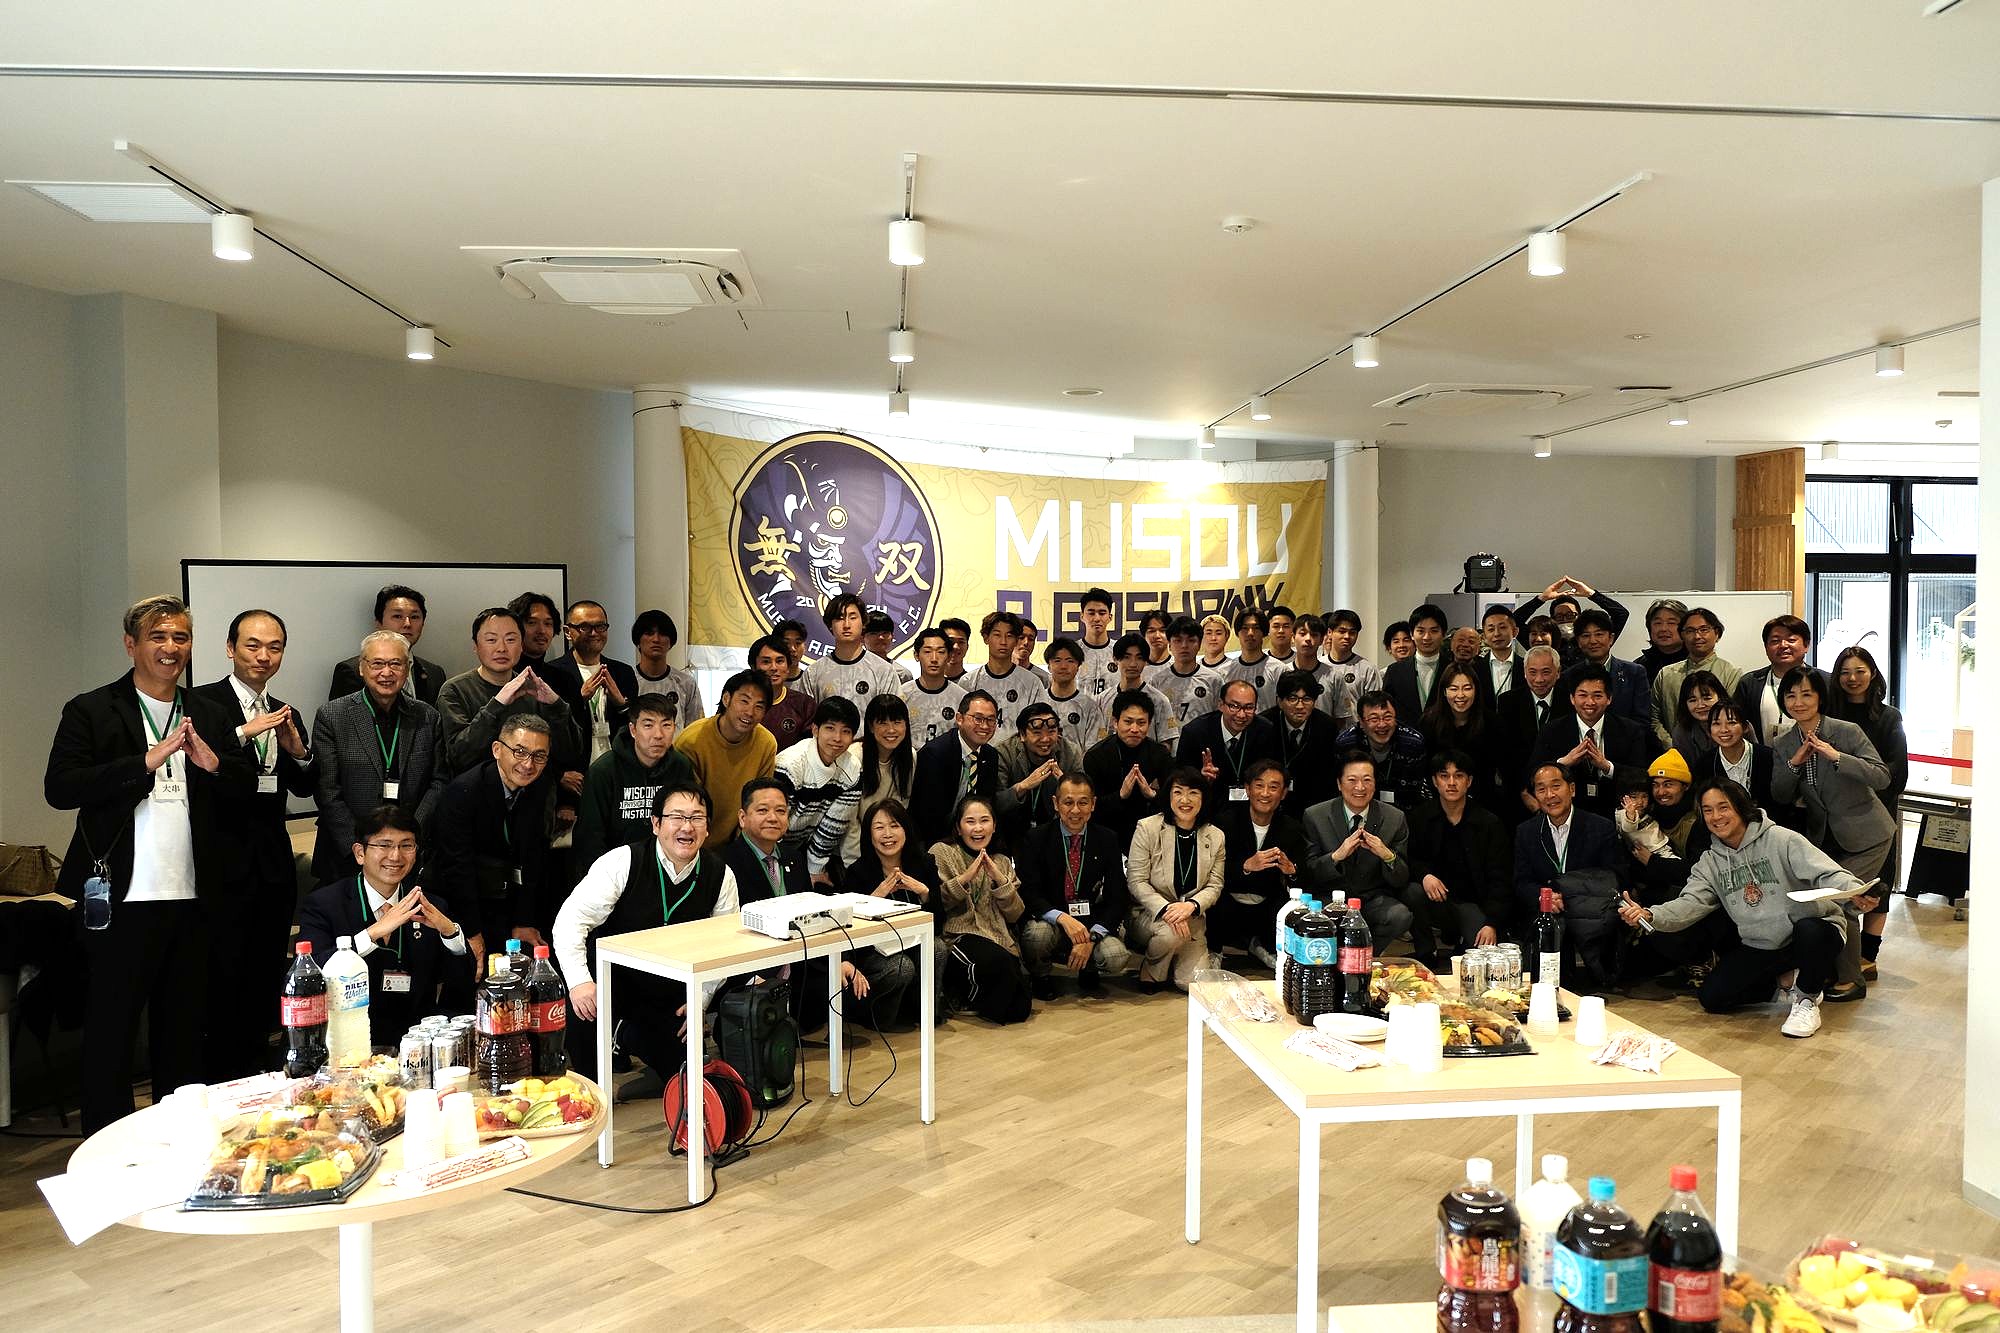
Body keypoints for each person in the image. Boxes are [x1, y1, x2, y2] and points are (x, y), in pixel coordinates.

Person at [46, 595, 255, 1132]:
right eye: (158, 637)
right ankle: (107, 1146)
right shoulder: (92, 709)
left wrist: (213, 765)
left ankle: (177, 1136)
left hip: (193, 896)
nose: (170, 648)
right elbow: (61, 787)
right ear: (131, 644)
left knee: (183, 1030)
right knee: (111, 1032)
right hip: (120, 898)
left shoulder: (208, 711)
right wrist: (145, 760)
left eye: (181, 637)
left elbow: (244, 787)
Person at [1617, 779, 1854, 1038]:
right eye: (1708, 810)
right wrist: (1650, 914)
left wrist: (1857, 892)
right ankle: (1787, 982)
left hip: (1811, 932)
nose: (1716, 817)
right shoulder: (1710, 862)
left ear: (1741, 807)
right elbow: (1689, 903)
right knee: (1712, 998)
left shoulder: (1781, 839)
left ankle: (1806, 999)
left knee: (1812, 930)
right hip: (1764, 944)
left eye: (1723, 807)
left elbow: (1827, 872)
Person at [194, 608, 317, 1079]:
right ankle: (221, 1072)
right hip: (220, 859)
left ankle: (258, 1067)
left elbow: (304, 786)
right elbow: (203, 772)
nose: (264, 656)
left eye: (274, 647)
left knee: (266, 968)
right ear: (230, 649)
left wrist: (297, 750)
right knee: (222, 969)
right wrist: (246, 732)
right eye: (253, 645)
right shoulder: (203, 704)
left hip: (272, 859)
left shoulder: (286, 712)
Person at [554, 783, 742, 1081]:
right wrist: (580, 982)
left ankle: (624, 1035)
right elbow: (569, 922)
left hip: (669, 988)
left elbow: (725, 946)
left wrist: (700, 999)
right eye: (676, 817)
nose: (687, 827)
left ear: (707, 828)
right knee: (591, 1069)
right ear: (656, 824)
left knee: (684, 1071)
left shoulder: (720, 874)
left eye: (697, 818)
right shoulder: (622, 862)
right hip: (610, 982)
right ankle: (606, 1042)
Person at [297, 804, 470, 1045]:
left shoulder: (429, 904)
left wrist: (450, 932)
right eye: (384, 845)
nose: (395, 856)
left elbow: (462, 982)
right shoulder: (324, 904)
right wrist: (372, 933)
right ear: (360, 853)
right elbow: (310, 973)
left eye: (406, 845)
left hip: (415, 1041)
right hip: (344, 1041)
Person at [1770, 664, 1893, 1002]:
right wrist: (1795, 762)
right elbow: (1780, 794)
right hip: (1824, 839)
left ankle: (1852, 980)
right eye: (1791, 695)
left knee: (1845, 902)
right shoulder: (1783, 742)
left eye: (1806, 694)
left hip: (1868, 833)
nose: (1798, 702)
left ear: (1820, 698)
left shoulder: (1846, 731)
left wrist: (1837, 756)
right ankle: (1834, 971)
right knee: (1828, 904)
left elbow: (1882, 776)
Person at [313, 630, 450, 882]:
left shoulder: (427, 717)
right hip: (348, 854)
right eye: (377, 663)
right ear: (361, 668)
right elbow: (327, 790)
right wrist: (360, 847)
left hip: (409, 853)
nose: (386, 672)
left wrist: (410, 837)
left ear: (407, 668)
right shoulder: (332, 716)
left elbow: (438, 782)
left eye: (395, 664)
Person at [431, 714, 556, 971]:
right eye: (519, 752)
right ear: (497, 750)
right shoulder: (463, 791)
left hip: (509, 896)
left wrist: (524, 920)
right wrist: (472, 931)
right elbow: (456, 867)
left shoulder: (540, 785)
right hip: (465, 901)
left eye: (539, 756)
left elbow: (534, 854)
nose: (528, 764)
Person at [435, 607, 584, 799]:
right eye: (491, 640)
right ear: (476, 646)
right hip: (475, 798)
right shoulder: (455, 690)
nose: (501, 648)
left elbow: (570, 753)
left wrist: (556, 705)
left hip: (533, 800)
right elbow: (459, 756)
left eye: (511, 639)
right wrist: (497, 704)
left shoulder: (534, 689)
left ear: (521, 645)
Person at [1828, 646, 1908, 979]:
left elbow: (1897, 773)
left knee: (1877, 885)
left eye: (1859, 671)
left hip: (1877, 814)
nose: (1852, 678)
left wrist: (1864, 793)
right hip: (1835, 814)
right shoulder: (1829, 715)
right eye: (1845, 672)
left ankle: (1868, 956)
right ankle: (1841, 953)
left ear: (1872, 673)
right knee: (1840, 884)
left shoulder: (1889, 717)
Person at [1017, 773, 1136, 996]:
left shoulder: (1107, 839)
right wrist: (1063, 918)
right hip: (1052, 921)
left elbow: (1117, 898)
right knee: (1037, 936)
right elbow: (1029, 893)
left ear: (1093, 804)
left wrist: (1092, 937)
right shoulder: (1036, 838)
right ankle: (1041, 976)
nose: (1075, 810)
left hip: (1091, 922)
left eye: (1083, 803)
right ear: (1056, 803)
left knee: (1116, 957)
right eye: (1068, 802)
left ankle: (1088, 967)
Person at [1513, 763, 1626, 992]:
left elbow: (1615, 876)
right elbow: (1521, 881)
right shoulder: (1527, 832)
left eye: (1556, 786)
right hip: (1548, 909)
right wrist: (1544, 897)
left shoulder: (1600, 827)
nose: (1550, 795)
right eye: (1541, 789)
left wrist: (1574, 895)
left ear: (1572, 789)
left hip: (1590, 909)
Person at [929, 794, 1033, 1023]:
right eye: (970, 821)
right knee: (998, 967)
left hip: (997, 939)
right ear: (958, 828)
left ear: (994, 826)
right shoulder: (943, 852)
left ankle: (981, 999)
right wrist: (965, 878)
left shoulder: (1002, 861)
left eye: (984, 821)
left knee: (1021, 1006)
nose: (978, 828)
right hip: (958, 936)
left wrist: (1000, 880)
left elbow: (1015, 914)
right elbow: (936, 903)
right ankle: (960, 995)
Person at [1404, 750, 1512, 968]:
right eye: (1444, 776)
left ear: (1469, 781)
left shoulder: (1489, 823)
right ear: (1435, 781)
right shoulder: (1420, 817)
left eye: (1459, 776)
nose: (1451, 783)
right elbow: (1411, 858)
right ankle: (1427, 951)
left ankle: (1463, 940)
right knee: (1412, 891)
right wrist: (1425, 875)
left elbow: (1500, 878)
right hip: (1437, 900)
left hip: (1474, 903)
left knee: (1485, 960)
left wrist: (1492, 922)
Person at [1127, 769, 1227, 991]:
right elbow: (1136, 881)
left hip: (1192, 918)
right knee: (1170, 933)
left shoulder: (1216, 836)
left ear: (1203, 798)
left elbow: (1215, 884)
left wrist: (1191, 906)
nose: (1185, 800)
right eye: (1178, 792)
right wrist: (1167, 910)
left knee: (1192, 985)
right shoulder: (1148, 828)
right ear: (1168, 796)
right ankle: (1152, 970)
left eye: (1193, 793)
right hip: (1150, 914)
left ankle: (1173, 956)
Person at [1302, 750, 1413, 951]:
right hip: (1330, 898)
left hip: (1373, 898)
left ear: (1375, 784)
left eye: (1367, 780)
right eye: (1352, 780)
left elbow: (1402, 878)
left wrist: (1386, 854)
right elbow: (1309, 872)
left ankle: (1366, 955)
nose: (1360, 787)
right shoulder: (1315, 816)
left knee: (1400, 916)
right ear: (1339, 783)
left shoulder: (1394, 818)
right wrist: (1337, 856)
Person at [573, 694, 695, 871]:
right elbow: (590, 837)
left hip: (667, 868)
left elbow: (688, 821)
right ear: (633, 730)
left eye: (666, 725)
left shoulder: (681, 767)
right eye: (648, 725)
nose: (658, 735)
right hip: (615, 871)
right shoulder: (604, 771)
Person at [832, 800, 925, 1028]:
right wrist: (875, 898)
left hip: (912, 941)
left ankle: (924, 1013)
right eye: (879, 827)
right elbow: (847, 928)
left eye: (894, 825)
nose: (887, 834)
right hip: (872, 951)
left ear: (906, 829)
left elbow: (938, 922)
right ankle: (881, 1019)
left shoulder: (923, 864)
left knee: (938, 949)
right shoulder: (857, 872)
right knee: (901, 966)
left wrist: (924, 893)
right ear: (869, 835)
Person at [1214, 759, 1307, 969]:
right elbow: (1212, 871)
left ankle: (1263, 946)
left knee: (1287, 906)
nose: (1265, 793)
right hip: (1228, 902)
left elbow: (1303, 877)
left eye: (1273, 787)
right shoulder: (1225, 822)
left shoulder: (1292, 828)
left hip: (1267, 904)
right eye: (1259, 785)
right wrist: (1246, 866)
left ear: (1283, 793)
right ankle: (1214, 949)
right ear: (1247, 789)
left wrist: (1291, 870)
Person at [1527, 665, 1650, 820]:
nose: (1590, 702)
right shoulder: (1551, 731)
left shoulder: (1630, 730)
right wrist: (1563, 763)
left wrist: (1607, 767)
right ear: (1572, 698)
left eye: (1597, 696)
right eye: (1582, 695)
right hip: (1569, 813)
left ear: (1609, 698)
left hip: (1617, 813)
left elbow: (1640, 776)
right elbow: (1532, 774)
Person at [673, 669, 778, 848]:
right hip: (693, 841)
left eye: (759, 706)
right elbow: (686, 805)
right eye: (744, 701)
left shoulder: (766, 743)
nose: (750, 712)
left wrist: (739, 848)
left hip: (739, 843)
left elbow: (758, 801)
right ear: (726, 699)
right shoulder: (691, 741)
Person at [774, 696, 863, 885]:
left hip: (803, 846)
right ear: (815, 730)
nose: (837, 738)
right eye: (830, 728)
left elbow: (833, 826)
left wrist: (814, 870)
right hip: (771, 846)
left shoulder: (852, 769)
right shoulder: (790, 765)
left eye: (845, 731)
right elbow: (772, 821)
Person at [544, 599, 638, 771]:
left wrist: (621, 704)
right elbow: (549, 729)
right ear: (568, 632)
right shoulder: (553, 673)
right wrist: (579, 699)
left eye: (600, 626)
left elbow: (635, 726)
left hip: (616, 767)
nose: (594, 633)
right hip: (575, 770)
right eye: (585, 627)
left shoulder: (623, 672)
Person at [1176, 677, 1281, 826]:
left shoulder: (1265, 730)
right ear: (1221, 705)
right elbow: (1179, 778)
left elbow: (1272, 771)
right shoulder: (1195, 732)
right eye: (1234, 706)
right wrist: (1200, 777)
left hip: (1250, 810)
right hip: (1208, 809)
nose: (1241, 715)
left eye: (1248, 708)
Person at [327, 583, 447, 706]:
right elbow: (342, 716)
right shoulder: (352, 670)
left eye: (414, 617)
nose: (407, 624)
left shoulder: (435, 673)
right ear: (379, 623)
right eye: (397, 616)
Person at [1082, 689, 1175, 846]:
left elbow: (1173, 799)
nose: (1134, 729)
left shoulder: (1160, 754)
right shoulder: (1096, 756)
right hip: (1107, 831)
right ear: (1115, 722)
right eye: (1128, 722)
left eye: (1141, 723)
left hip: (1151, 831)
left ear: (1149, 724)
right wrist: (1120, 795)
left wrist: (1152, 794)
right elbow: (1092, 806)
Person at [910, 688, 1002, 846]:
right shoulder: (935, 754)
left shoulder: (990, 755)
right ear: (959, 719)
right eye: (978, 719)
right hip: (933, 839)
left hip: (972, 837)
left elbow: (987, 803)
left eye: (991, 720)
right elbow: (926, 813)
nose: (985, 726)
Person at [1419, 662, 1507, 814]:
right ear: (1444, 691)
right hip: (1439, 802)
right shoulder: (1429, 722)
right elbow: (1425, 768)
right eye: (1453, 689)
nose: (1460, 695)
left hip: (1482, 804)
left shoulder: (1492, 723)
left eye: (1467, 688)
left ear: (1476, 690)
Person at [1496, 645, 1570, 825]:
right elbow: (1504, 755)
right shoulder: (1508, 702)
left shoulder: (1571, 701)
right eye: (1532, 672)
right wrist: (1523, 792)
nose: (1539, 679)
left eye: (1546, 672)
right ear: (1524, 673)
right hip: (1519, 795)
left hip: (1563, 794)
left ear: (1558, 672)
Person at [841, 694, 916, 867]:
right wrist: (857, 864)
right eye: (883, 723)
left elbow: (899, 808)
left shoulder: (910, 757)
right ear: (870, 726)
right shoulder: (854, 757)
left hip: (885, 845)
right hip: (852, 848)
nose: (891, 730)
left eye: (897, 722)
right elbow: (849, 819)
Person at [1650, 607, 1739, 748]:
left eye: (1704, 630)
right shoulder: (1666, 674)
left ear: (1717, 634)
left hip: (1719, 751)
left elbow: (1733, 716)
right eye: (1690, 631)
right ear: (1682, 635)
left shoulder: (1731, 673)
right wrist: (1672, 745)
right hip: (1672, 752)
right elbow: (1654, 717)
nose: (1697, 636)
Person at [804, 592, 907, 712]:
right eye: (840, 618)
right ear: (830, 625)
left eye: (853, 618)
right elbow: (806, 718)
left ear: (863, 623)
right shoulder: (813, 673)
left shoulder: (884, 671)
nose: (846, 625)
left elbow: (894, 717)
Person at [1731, 615, 1825, 745]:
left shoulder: (1825, 681)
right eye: (1775, 641)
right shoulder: (1750, 683)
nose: (1783, 645)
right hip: (1765, 756)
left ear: (1806, 645)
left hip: (1817, 754)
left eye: (1791, 640)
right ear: (1766, 647)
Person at [996, 701, 1080, 845]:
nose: (1045, 739)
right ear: (1022, 735)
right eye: (1037, 733)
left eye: (1051, 732)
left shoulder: (1070, 752)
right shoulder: (1004, 753)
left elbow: (1084, 800)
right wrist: (1023, 786)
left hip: (1056, 831)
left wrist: (1066, 784)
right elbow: (996, 803)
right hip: (1010, 832)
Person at [1333, 690, 1429, 809]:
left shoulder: (1413, 743)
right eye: (1374, 719)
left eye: (1388, 717)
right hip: (1359, 807)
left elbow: (1416, 792)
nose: (1382, 724)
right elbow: (1343, 788)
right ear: (1361, 722)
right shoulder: (1346, 744)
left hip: (1404, 810)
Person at [1560, 608, 1652, 730]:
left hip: (1627, 740)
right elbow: (1565, 720)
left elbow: (1642, 720)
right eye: (1586, 635)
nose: (1593, 641)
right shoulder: (1568, 676)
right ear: (1578, 642)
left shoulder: (1634, 672)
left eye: (1599, 634)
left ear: (1611, 638)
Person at [960, 609, 1052, 729]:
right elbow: (962, 725)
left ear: (1016, 640)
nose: (1003, 642)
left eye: (1009, 636)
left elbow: (1040, 724)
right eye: (997, 635)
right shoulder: (969, 681)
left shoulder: (1032, 682)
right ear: (986, 638)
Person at [1268, 669, 1340, 817]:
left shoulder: (1327, 727)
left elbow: (1328, 777)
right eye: (1293, 698)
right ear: (1279, 702)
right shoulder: (1266, 725)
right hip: (1273, 801)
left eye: (1306, 699)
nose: (1300, 706)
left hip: (1313, 802)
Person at [1692, 701, 1779, 820]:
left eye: (1731, 722)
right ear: (1709, 730)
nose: (1724, 730)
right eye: (1716, 723)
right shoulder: (1704, 765)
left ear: (1745, 727)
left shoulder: (1768, 757)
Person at [631, 609, 706, 730]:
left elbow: (695, 730)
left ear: (671, 642)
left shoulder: (686, 683)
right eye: (649, 633)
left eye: (662, 634)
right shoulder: (627, 680)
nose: (656, 639)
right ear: (638, 641)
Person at [1150, 616, 1227, 728]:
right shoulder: (1157, 681)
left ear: (1199, 644)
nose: (1184, 645)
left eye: (1191, 640)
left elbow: (1221, 720)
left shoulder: (1214, 680)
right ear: (1169, 645)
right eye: (1178, 640)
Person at [1106, 632, 1179, 744]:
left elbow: (1166, 742)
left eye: (1139, 658)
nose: (1133, 664)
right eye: (1126, 657)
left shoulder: (1160, 700)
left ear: (1145, 661)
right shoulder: (1103, 699)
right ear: (1115, 660)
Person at [901, 627, 969, 746]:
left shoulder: (961, 697)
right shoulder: (902, 694)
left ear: (949, 656)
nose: (934, 659)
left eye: (941, 652)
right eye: (927, 652)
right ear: (916, 655)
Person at [1319, 609, 1383, 728]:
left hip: (1356, 732)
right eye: (1342, 631)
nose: (1347, 636)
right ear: (1330, 632)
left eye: (1352, 632)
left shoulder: (1368, 669)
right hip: (1322, 731)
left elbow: (1375, 707)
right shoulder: (1319, 666)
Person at [1383, 603, 1449, 721]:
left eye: (1434, 631)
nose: (1427, 637)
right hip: (1406, 732)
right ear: (1412, 634)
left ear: (1443, 634)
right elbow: (1386, 710)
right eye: (1420, 631)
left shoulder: (1453, 669)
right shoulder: (1395, 671)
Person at [1042, 636, 1107, 748]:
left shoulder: (1090, 707)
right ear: (1049, 667)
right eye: (1057, 661)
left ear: (1078, 667)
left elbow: (1095, 749)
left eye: (1070, 661)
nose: (1063, 666)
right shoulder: (1038, 699)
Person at [1225, 608, 1287, 709]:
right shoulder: (1225, 671)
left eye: (1256, 628)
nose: (1250, 633)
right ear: (1237, 633)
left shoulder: (1279, 670)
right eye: (1245, 628)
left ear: (1264, 632)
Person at [1668, 670, 1728, 760]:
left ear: (1720, 697)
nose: (1700, 705)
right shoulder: (1681, 732)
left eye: (1707, 698)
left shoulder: (1737, 725)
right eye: (1692, 700)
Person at [1075, 586, 1120, 694]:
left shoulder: (1120, 650)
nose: (1096, 618)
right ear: (1082, 616)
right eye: (1091, 613)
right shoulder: (1072, 651)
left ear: (1110, 617)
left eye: (1102, 613)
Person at [1636, 598, 1691, 681]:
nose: (1663, 629)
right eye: (1658, 623)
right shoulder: (1639, 667)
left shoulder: (1696, 662)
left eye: (1671, 623)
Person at [1480, 604, 1526, 700]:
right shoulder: (1476, 668)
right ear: (1484, 636)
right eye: (1491, 629)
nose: (1497, 634)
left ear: (1515, 632)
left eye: (1502, 627)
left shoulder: (1526, 667)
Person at [507, 590, 561, 671]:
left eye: (547, 623)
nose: (542, 631)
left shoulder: (563, 677)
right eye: (532, 622)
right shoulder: (502, 674)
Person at [863, 608, 915, 685]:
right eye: (874, 633)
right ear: (862, 638)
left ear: (892, 636)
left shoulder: (902, 674)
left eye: (885, 633)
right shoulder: (852, 669)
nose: (881, 637)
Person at [1013, 616, 1054, 687]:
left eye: (1031, 639)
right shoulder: (997, 674)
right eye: (1021, 637)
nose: (1026, 642)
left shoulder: (1044, 679)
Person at [937, 616, 973, 681]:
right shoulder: (927, 682)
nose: (955, 647)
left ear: (967, 647)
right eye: (950, 641)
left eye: (961, 642)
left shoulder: (972, 684)